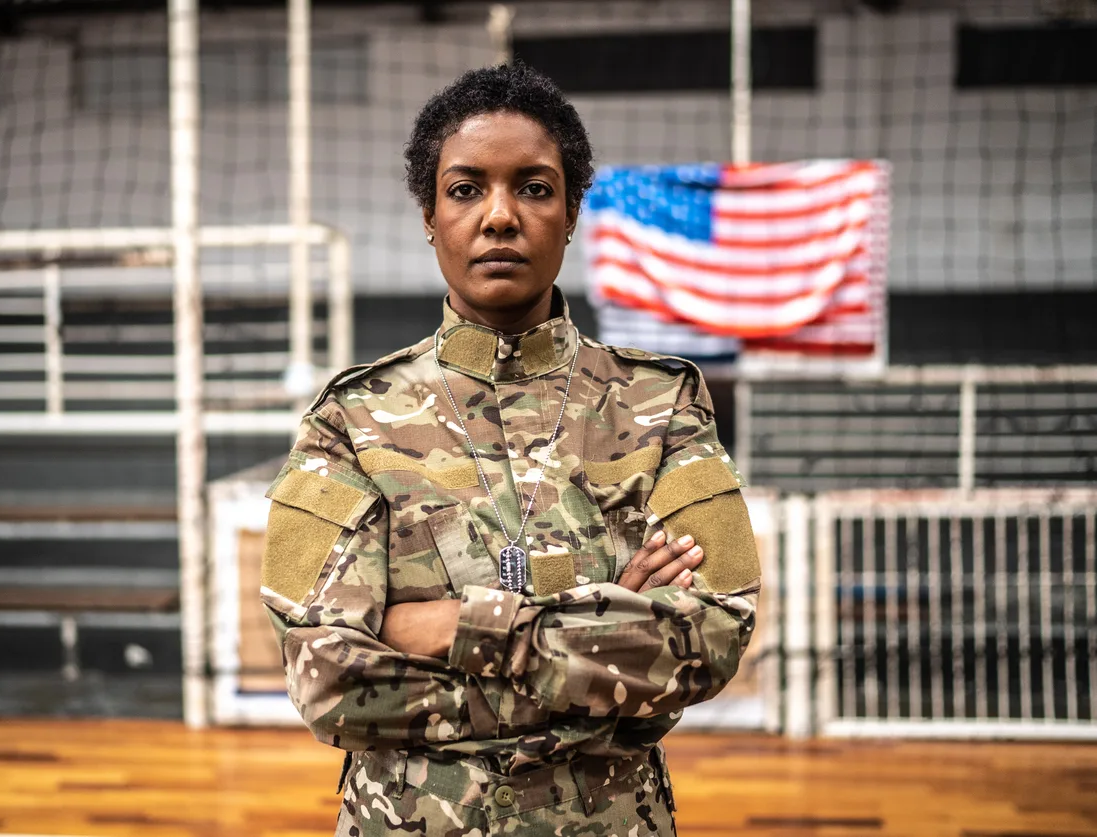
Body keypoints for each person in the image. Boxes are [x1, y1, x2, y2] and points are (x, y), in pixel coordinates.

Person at [260, 63, 760, 837]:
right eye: (465, 189)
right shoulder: (351, 419)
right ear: (429, 216)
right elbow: (327, 681)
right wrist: (599, 650)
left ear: (569, 213)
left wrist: (451, 625)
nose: (499, 216)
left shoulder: (661, 405)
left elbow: (709, 641)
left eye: (533, 187)